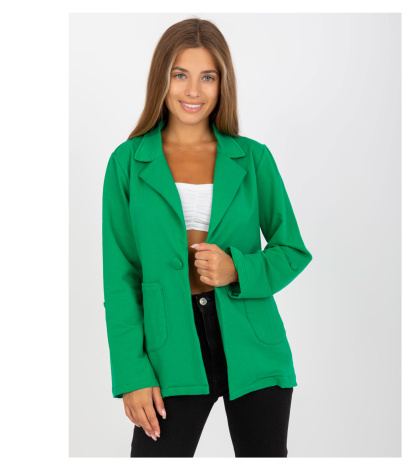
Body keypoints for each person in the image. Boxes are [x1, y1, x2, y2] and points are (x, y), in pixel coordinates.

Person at [102, 17, 312, 457]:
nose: (193, 91)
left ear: (222, 83)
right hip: (169, 351)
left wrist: (238, 269)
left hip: (254, 347)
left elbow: (292, 250)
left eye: (208, 77)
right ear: (162, 78)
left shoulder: (252, 158)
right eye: (180, 75)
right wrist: (132, 373)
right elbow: (120, 277)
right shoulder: (128, 162)